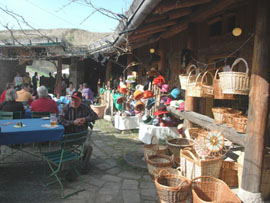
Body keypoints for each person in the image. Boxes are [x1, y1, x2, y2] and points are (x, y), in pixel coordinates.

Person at [58, 91, 98, 176]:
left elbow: (95, 116)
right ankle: (65, 170)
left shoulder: (85, 107)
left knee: (88, 147)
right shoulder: (66, 108)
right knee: (66, 146)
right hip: (68, 136)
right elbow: (60, 120)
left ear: (80, 101)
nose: (74, 102)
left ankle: (84, 167)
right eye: (72, 99)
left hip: (81, 136)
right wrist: (73, 122)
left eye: (76, 100)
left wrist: (85, 119)